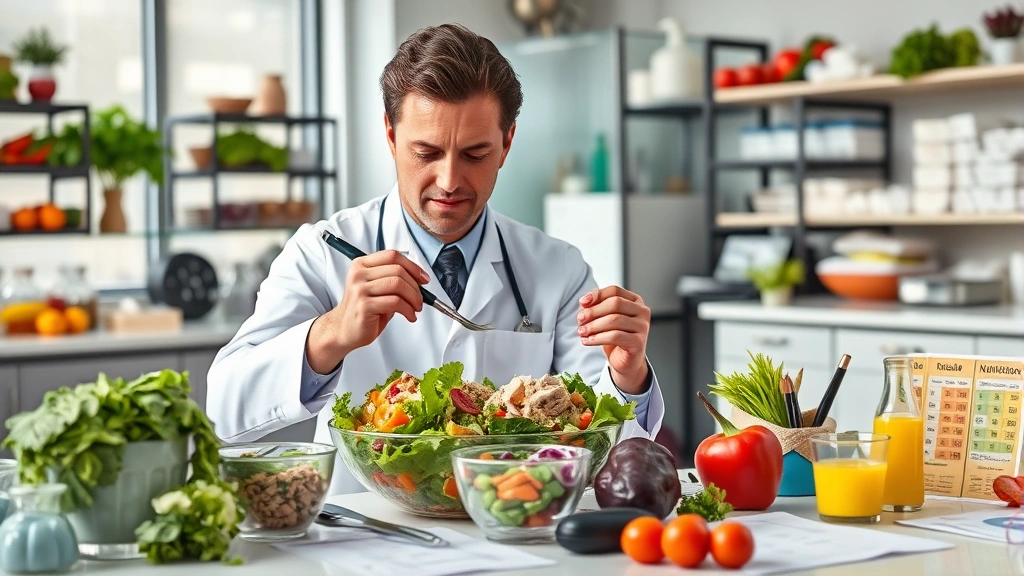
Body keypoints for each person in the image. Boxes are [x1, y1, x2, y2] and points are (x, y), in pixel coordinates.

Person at [207, 23, 664, 494]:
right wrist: (333, 332)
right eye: (426, 151)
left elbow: (611, 453)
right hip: (367, 541)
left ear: (506, 143)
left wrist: (627, 376)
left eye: (475, 153)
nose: (449, 180)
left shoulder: (558, 269)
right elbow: (224, 408)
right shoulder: (321, 250)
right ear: (390, 135)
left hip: (512, 535)